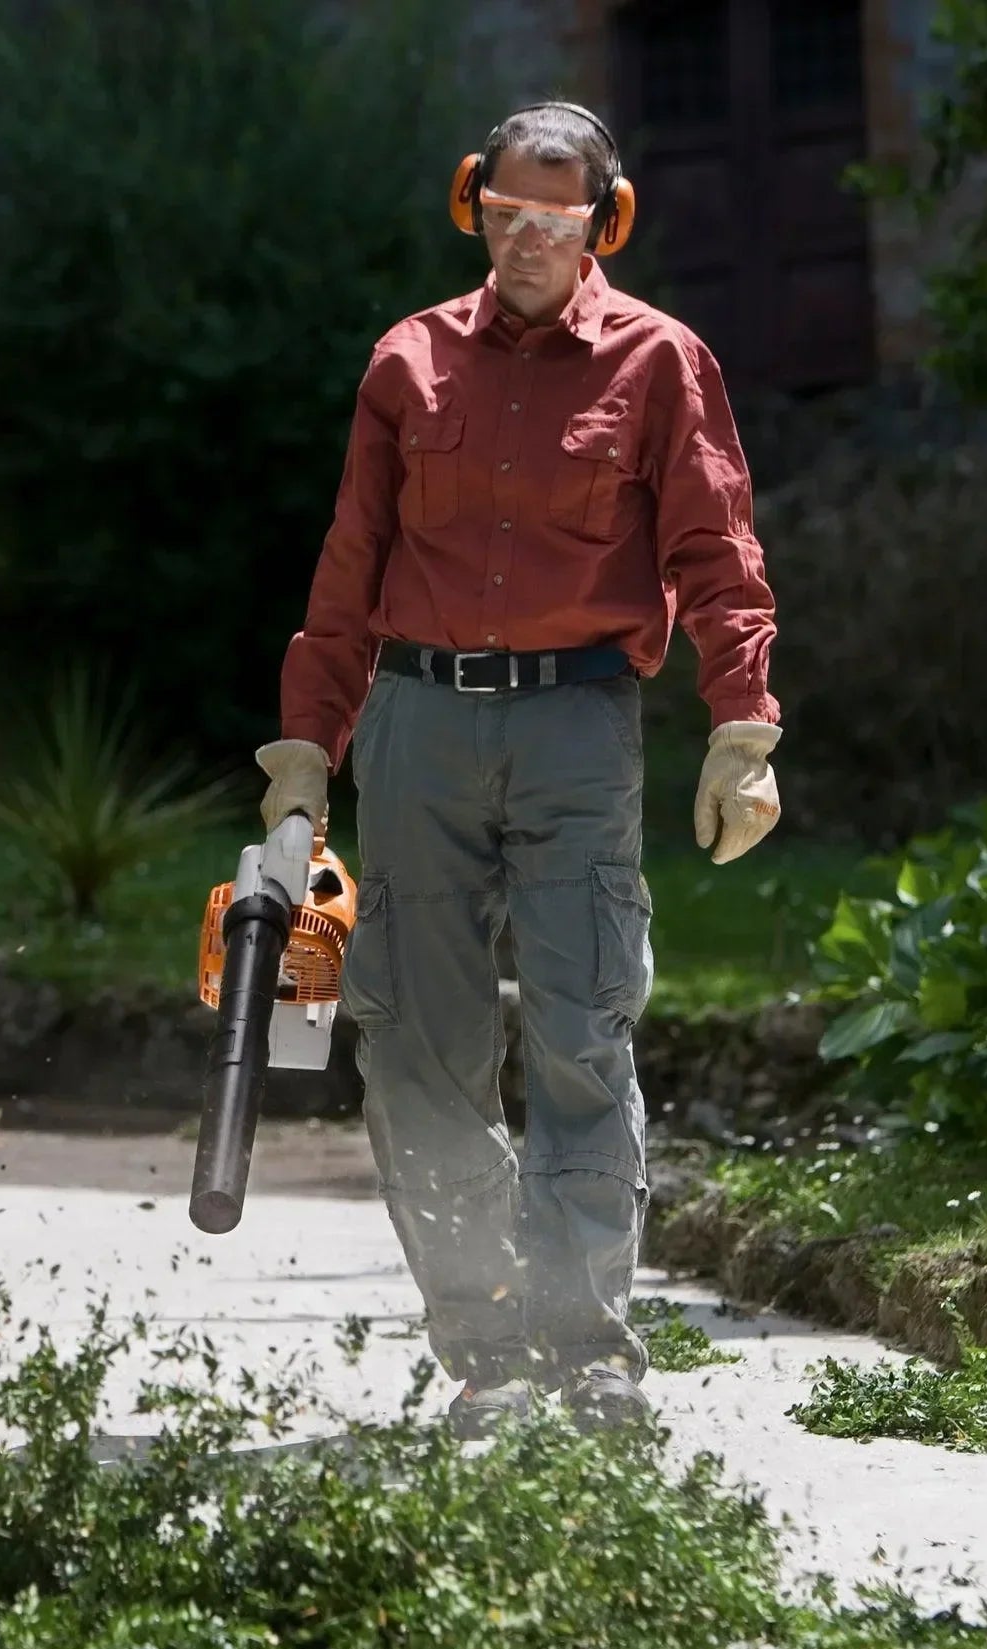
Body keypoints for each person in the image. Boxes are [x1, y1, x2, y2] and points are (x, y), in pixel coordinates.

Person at [256, 100, 784, 1438]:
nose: (526, 241)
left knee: (580, 1029)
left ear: (604, 222)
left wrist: (742, 729)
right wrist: (306, 753)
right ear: (471, 207)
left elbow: (716, 554)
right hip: (417, 726)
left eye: (553, 220)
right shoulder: (407, 362)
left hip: (577, 725)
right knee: (416, 1046)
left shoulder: (660, 362)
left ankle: (587, 1350)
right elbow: (349, 566)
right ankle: (487, 1352)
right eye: (504, 216)